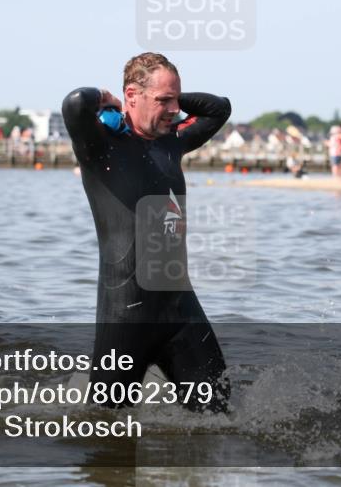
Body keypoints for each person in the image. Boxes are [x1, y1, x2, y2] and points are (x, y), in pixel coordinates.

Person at [62, 52, 231, 413]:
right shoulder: (101, 146)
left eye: (177, 99)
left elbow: (220, 109)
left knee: (220, 416)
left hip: (180, 309)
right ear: (132, 95)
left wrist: (171, 100)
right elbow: (75, 104)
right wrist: (106, 100)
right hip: (126, 316)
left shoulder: (172, 141)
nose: (174, 110)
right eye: (163, 100)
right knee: (104, 432)